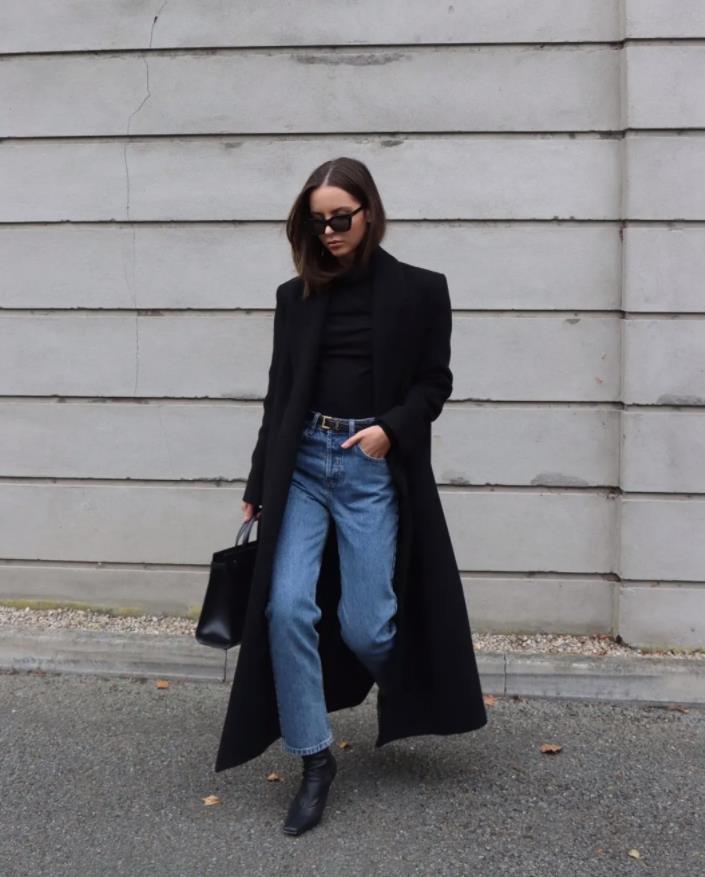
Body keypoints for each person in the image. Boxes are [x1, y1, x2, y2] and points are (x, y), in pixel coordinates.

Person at [220, 156, 488, 836]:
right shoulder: (296, 297)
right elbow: (279, 395)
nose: (330, 232)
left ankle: (410, 679)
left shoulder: (421, 290)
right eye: (317, 222)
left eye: (340, 218)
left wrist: (388, 430)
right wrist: (257, 481)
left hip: (369, 466)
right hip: (302, 465)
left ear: (369, 212)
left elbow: (434, 383)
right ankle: (315, 759)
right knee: (285, 606)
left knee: (367, 628)